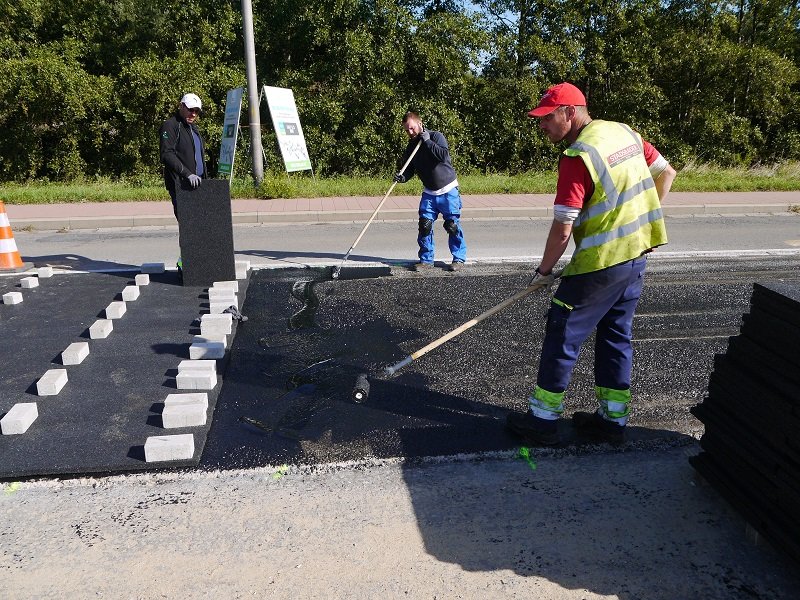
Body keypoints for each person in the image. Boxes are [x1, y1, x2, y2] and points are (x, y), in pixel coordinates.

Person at [506, 82, 676, 446]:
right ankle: (612, 421)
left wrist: (543, 272)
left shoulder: (578, 156)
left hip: (599, 266)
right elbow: (667, 172)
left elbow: (563, 229)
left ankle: (543, 420)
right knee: (617, 336)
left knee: (562, 332)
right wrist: (645, 219)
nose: (542, 126)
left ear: (569, 111)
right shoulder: (624, 132)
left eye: (547, 118)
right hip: (636, 257)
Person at [394, 111, 467, 271]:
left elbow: (443, 155)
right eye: (407, 130)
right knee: (424, 225)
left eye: (412, 128)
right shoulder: (411, 146)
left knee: (452, 225)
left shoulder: (435, 137)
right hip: (429, 193)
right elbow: (409, 169)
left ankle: (459, 259)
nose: (410, 132)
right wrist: (402, 177)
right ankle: (426, 260)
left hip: (448, 190)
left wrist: (427, 142)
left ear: (420, 124)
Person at [160, 92, 207, 219]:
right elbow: (166, 154)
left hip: (198, 184)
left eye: (196, 111)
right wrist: (187, 174)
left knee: (202, 226)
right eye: (190, 109)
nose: (193, 114)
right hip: (181, 185)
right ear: (181, 106)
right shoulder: (170, 125)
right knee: (188, 227)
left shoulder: (193, 128)